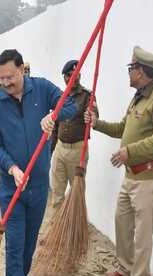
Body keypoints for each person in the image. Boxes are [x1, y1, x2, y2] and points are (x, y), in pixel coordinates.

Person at [0, 49, 77, 276]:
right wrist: (12, 168)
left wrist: (54, 115)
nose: (5, 83)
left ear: (22, 69)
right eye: (0, 78)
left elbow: (71, 105)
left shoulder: (42, 88)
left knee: (28, 246)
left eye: (10, 77)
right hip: (11, 189)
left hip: (38, 188)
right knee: (14, 245)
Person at [85, 46, 153, 276]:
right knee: (122, 222)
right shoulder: (138, 97)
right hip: (131, 175)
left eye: (131, 68)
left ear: (141, 71)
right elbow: (122, 129)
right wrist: (97, 123)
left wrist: (129, 151)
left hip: (149, 177)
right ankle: (125, 268)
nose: (128, 72)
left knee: (142, 233)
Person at [51, 59, 98, 208]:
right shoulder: (60, 96)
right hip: (60, 149)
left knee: (76, 195)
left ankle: (75, 222)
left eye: (75, 74)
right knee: (57, 194)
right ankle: (58, 222)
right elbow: (55, 125)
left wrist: (91, 116)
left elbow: (94, 115)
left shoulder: (87, 96)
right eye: (69, 75)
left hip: (77, 151)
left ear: (79, 75)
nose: (72, 78)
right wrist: (51, 150)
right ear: (64, 77)